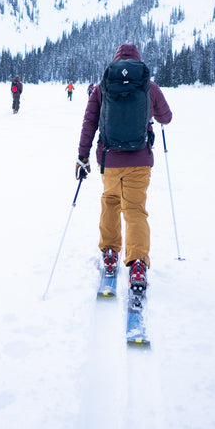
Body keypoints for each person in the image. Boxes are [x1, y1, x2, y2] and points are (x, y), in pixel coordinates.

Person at [76, 44, 172, 292]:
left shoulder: (102, 87)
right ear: (138, 61)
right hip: (140, 160)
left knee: (110, 201)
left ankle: (110, 252)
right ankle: (138, 263)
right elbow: (167, 117)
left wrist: (82, 156)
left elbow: (89, 123)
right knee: (135, 209)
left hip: (110, 160)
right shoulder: (148, 86)